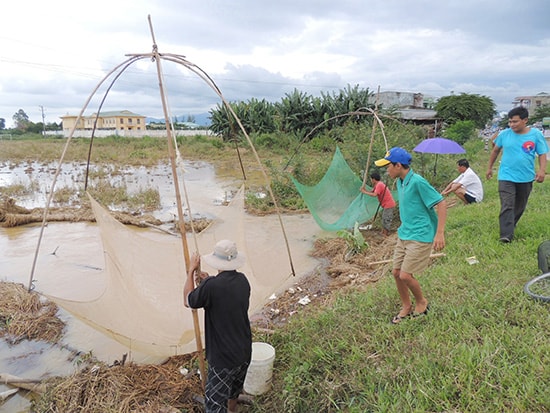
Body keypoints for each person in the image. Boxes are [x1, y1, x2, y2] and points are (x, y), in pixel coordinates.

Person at [374, 147, 447, 324]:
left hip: (420, 234)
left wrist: (440, 233)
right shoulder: (400, 181)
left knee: (406, 275)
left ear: (398, 165)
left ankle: (422, 302)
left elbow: (441, 203)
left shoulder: (417, 182)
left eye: (388, 166)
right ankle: (406, 305)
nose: (387, 170)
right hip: (405, 233)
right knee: (396, 272)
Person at [184, 239, 252, 413]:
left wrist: (191, 270)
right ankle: (232, 410)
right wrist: (207, 281)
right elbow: (225, 295)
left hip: (223, 358)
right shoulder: (243, 281)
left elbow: (188, 300)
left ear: (217, 261)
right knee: (233, 392)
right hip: (243, 351)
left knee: (214, 404)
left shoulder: (211, 286)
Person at [486, 106, 548, 243]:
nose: (511, 124)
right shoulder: (504, 134)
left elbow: (542, 154)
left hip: (526, 177)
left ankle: (510, 224)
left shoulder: (536, 135)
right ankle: (506, 235)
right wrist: (489, 168)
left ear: (525, 120)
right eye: (510, 122)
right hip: (506, 176)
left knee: (520, 205)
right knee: (507, 204)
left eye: (515, 121)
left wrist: (542, 170)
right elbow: (495, 151)